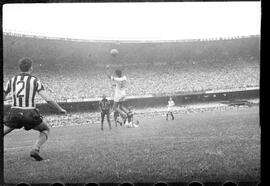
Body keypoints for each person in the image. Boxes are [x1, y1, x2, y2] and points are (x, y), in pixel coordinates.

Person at [3, 57, 67, 161]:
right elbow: (48, 99)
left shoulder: (12, 80)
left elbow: (3, 97)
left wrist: (11, 96)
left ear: (19, 68)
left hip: (14, 112)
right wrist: (60, 109)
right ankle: (35, 150)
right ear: (31, 68)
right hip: (29, 113)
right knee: (45, 129)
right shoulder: (34, 80)